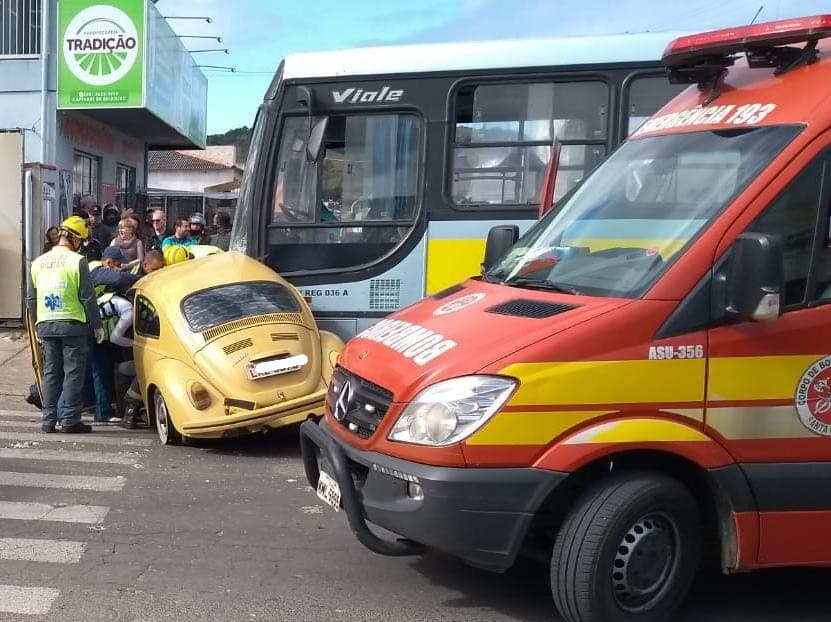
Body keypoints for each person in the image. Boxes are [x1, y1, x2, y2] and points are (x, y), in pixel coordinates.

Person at [27, 216, 102, 434]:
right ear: (75, 238)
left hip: (46, 325)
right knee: (73, 373)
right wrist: (96, 325)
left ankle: (48, 420)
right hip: (72, 325)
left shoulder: (38, 262)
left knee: (51, 373)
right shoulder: (77, 261)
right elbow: (88, 297)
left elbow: (31, 299)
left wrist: (35, 326)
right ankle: (69, 419)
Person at [94, 291, 134, 424]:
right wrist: (135, 344)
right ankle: (103, 413)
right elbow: (115, 337)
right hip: (94, 336)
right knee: (101, 374)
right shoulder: (129, 311)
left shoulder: (119, 299)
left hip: (91, 330)